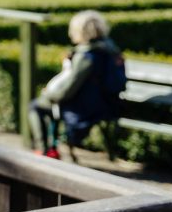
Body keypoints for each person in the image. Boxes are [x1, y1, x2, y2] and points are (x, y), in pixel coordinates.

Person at [29, 10, 126, 159]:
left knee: (36, 106)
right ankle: (50, 148)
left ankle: (44, 150)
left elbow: (69, 89)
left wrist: (49, 94)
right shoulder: (111, 50)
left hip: (84, 107)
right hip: (107, 104)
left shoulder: (86, 56)